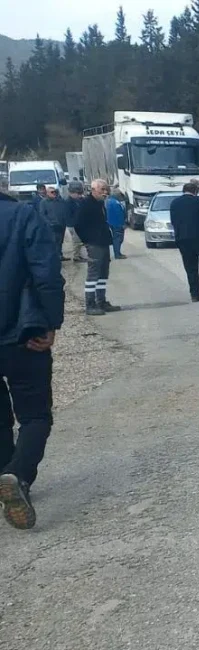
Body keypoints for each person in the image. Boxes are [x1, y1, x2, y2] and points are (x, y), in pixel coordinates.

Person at [0, 191, 65, 530]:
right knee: (35, 414)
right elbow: (47, 272)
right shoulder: (23, 215)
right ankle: (17, 474)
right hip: (23, 333)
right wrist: (52, 321)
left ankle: (5, 477)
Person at [75, 179, 119, 315]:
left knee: (103, 273)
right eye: (102, 190)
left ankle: (101, 301)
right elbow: (78, 224)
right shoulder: (86, 204)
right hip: (94, 243)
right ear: (93, 190)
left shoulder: (100, 204)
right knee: (93, 274)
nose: (105, 192)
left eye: (106, 189)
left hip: (103, 242)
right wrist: (88, 240)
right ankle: (90, 304)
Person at [38, 187, 70, 262]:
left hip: (61, 225)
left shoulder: (60, 201)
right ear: (47, 193)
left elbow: (65, 210)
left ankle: (60, 255)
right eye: (52, 192)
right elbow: (42, 214)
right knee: (54, 241)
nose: (54, 193)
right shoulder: (44, 202)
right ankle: (54, 257)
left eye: (55, 192)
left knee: (60, 241)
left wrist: (65, 221)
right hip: (51, 226)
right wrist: (49, 223)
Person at [64, 181, 88, 263]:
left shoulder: (79, 200)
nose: (79, 195)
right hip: (73, 225)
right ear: (72, 193)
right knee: (76, 241)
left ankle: (79, 255)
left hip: (79, 224)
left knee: (79, 241)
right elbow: (68, 215)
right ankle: (76, 256)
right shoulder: (68, 202)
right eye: (77, 194)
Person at [106, 190, 127, 260]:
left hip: (112, 223)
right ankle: (117, 254)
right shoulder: (115, 203)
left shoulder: (108, 201)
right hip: (117, 223)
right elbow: (119, 214)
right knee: (118, 239)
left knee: (117, 238)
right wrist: (123, 224)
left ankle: (117, 253)